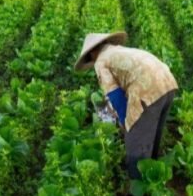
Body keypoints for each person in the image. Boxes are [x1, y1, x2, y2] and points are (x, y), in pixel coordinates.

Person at [74, 32, 178, 179]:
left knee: (134, 141)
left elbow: (115, 95)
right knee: (153, 133)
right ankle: (152, 173)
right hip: (167, 82)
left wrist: (124, 123)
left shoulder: (100, 61)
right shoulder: (118, 51)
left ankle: (138, 184)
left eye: (90, 58)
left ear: (92, 52)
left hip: (146, 88)